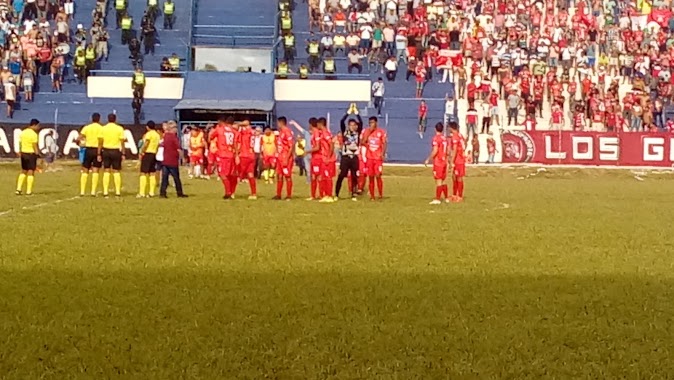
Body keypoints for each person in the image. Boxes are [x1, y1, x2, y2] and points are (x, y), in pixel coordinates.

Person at [335, 107, 362, 200]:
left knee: (354, 175)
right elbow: (341, 121)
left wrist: (357, 113)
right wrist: (348, 112)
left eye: (354, 125)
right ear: (348, 126)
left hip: (354, 157)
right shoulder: (345, 132)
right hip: (345, 157)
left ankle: (353, 193)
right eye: (351, 125)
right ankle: (336, 194)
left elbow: (361, 122)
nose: (353, 127)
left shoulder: (358, 133)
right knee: (342, 175)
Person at [210, 116, 239, 199]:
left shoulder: (220, 129)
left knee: (222, 174)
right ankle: (231, 191)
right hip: (231, 155)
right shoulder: (235, 132)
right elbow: (236, 145)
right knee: (231, 175)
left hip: (223, 155)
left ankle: (228, 192)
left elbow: (211, 137)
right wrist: (236, 155)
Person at [98, 113, 126, 197]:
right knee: (116, 171)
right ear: (115, 119)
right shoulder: (119, 128)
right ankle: (117, 191)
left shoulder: (103, 128)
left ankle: (105, 191)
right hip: (116, 151)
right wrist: (123, 153)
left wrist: (99, 153)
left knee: (106, 170)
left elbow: (100, 142)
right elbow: (122, 142)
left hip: (106, 150)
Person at [361, 116, 387, 200]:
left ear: (376, 123)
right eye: (370, 123)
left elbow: (384, 143)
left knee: (378, 175)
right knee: (371, 176)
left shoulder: (381, 132)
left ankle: (380, 194)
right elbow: (362, 142)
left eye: (372, 122)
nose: (371, 124)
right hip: (369, 157)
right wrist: (369, 133)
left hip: (378, 157)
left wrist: (382, 154)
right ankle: (372, 195)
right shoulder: (366, 131)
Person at [78, 113, 104, 196]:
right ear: (99, 119)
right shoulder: (101, 128)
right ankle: (93, 191)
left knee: (85, 169)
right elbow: (100, 141)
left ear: (91, 118)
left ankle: (82, 191)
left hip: (88, 149)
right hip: (97, 149)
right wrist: (99, 153)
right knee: (95, 170)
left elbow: (79, 137)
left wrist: (80, 143)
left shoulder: (87, 127)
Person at [424, 122, 450, 205]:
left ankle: (437, 199)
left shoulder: (436, 138)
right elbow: (448, 151)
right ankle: (446, 198)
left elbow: (435, 150)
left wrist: (428, 159)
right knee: (443, 180)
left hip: (438, 162)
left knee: (438, 181)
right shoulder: (445, 139)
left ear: (435, 129)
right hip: (444, 161)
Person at [159, 122, 187, 198]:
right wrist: (183, 158)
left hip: (165, 160)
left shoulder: (165, 136)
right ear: (172, 128)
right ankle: (179, 193)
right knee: (176, 178)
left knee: (164, 178)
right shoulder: (174, 137)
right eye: (175, 128)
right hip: (172, 161)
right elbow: (178, 149)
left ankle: (162, 193)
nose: (176, 129)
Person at [16, 119, 40, 196]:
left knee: (23, 170)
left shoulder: (23, 132)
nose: (38, 128)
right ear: (34, 125)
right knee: (31, 171)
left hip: (23, 153)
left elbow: (20, 143)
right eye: (38, 126)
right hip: (31, 154)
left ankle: (18, 189)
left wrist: (20, 151)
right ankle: (28, 191)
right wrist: (37, 154)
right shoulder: (34, 134)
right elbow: (34, 145)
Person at [137, 121, 161, 198]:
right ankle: (151, 192)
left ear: (147, 127)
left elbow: (146, 143)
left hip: (147, 153)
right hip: (154, 154)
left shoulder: (149, 134)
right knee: (152, 173)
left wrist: (142, 151)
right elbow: (157, 145)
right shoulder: (157, 135)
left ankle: (142, 192)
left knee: (143, 173)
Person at [273, 117, 294, 200]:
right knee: (279, 175)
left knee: (287, 176)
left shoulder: (287, 131)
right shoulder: (280, 132)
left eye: (278, 123)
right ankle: (278, 194)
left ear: (281, 123)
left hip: (285, 157)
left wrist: (287, 158)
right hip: (280, 157)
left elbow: (291, 146)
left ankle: (289, 195)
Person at [236, 120, 258, 200]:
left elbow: (236, 128)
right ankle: (253, 193)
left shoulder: (245, 131)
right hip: (251, 155)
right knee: (250, 174)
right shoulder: (253, 131)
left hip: (244, 155)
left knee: (238, 175)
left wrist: (239, 123)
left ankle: (231, 192)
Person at [317, 117, 335, 203]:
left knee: (328, 178)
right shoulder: (322, 133)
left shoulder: (325, 133)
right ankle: (326, 194)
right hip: (324, 158)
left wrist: (328, 157)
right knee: (324, 177)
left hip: (328, 159)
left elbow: (331, 144)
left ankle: (330, 195)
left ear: (320, 124)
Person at [448, 121, 466, 202]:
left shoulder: (455, 137)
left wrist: (451, 161)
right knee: (454, 177)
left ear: (451, 128)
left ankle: (459, 196)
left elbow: (454, 149)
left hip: (458, 160)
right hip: (460, 159)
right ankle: (455, 195)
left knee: (458, 178)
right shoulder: (460, 135)